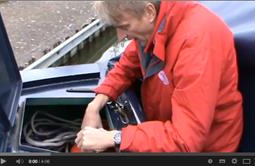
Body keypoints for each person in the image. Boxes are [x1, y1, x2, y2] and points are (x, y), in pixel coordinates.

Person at [75, 1, 243, 152]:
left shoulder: (196, 45)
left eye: (125, 26)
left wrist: (114, 137)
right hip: (166, 132)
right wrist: (96, 104)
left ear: (149, 12)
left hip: (207, 149)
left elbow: (185, 141)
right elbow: (126, 66)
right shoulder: (155, 26)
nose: (121, 37)